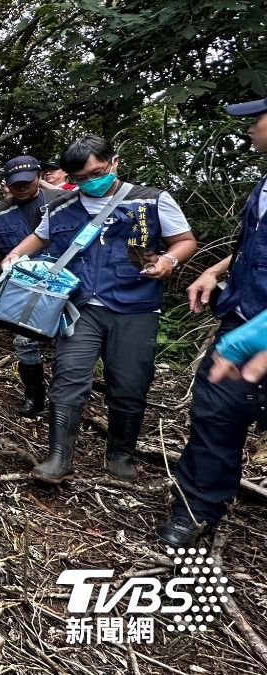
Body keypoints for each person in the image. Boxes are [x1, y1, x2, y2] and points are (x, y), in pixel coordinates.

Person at [3, 134, 197, 485]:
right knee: (68, 377)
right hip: (80, 307)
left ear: (114, 162)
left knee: (129, 382)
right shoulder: (63, 206)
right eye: (80, 178)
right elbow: (41, 237)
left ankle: (120, 453)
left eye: (97, 172)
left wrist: (169, 260)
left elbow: (184, 240)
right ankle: (59, 457)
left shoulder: (151, 201)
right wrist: (15, 255)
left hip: (135, 306)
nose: (91, 182)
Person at [157, 96, 267, 547]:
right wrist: (215, 270)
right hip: (241, 320)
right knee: (216, 417)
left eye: (257, 120)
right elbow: (252, 245)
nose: (250, 129)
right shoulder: (262, 185)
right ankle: (196, 509)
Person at [0, 156, 68, 416]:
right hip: (22, 285)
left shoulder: (60, 202)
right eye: (15, 184)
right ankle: (35, 396)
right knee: (25, 341)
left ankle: (65, 399)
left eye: (27, 182)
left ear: (38, 176)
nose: (22, 188)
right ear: (7, 184)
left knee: (69, 340)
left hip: (62, 283)